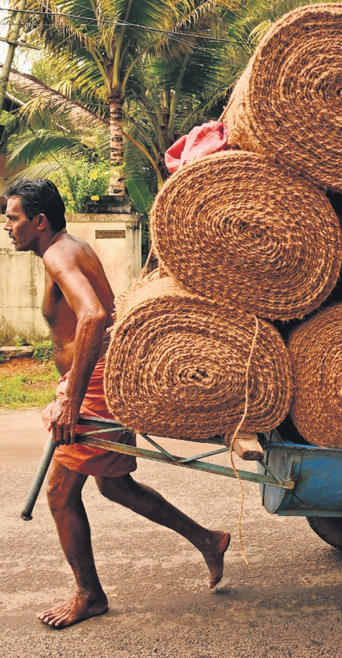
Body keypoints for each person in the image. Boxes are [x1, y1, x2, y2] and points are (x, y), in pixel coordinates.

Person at [4, 179, 230, 629]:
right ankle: (208, 539)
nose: (7, 227)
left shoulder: (57, 254)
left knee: (59, 494)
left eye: (13, 218)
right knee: (115, 486)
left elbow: (93, 315)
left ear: (39, 221)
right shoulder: (69, 246)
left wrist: (72, 400)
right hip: (99, 376)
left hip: (94, 384)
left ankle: (89, 595)